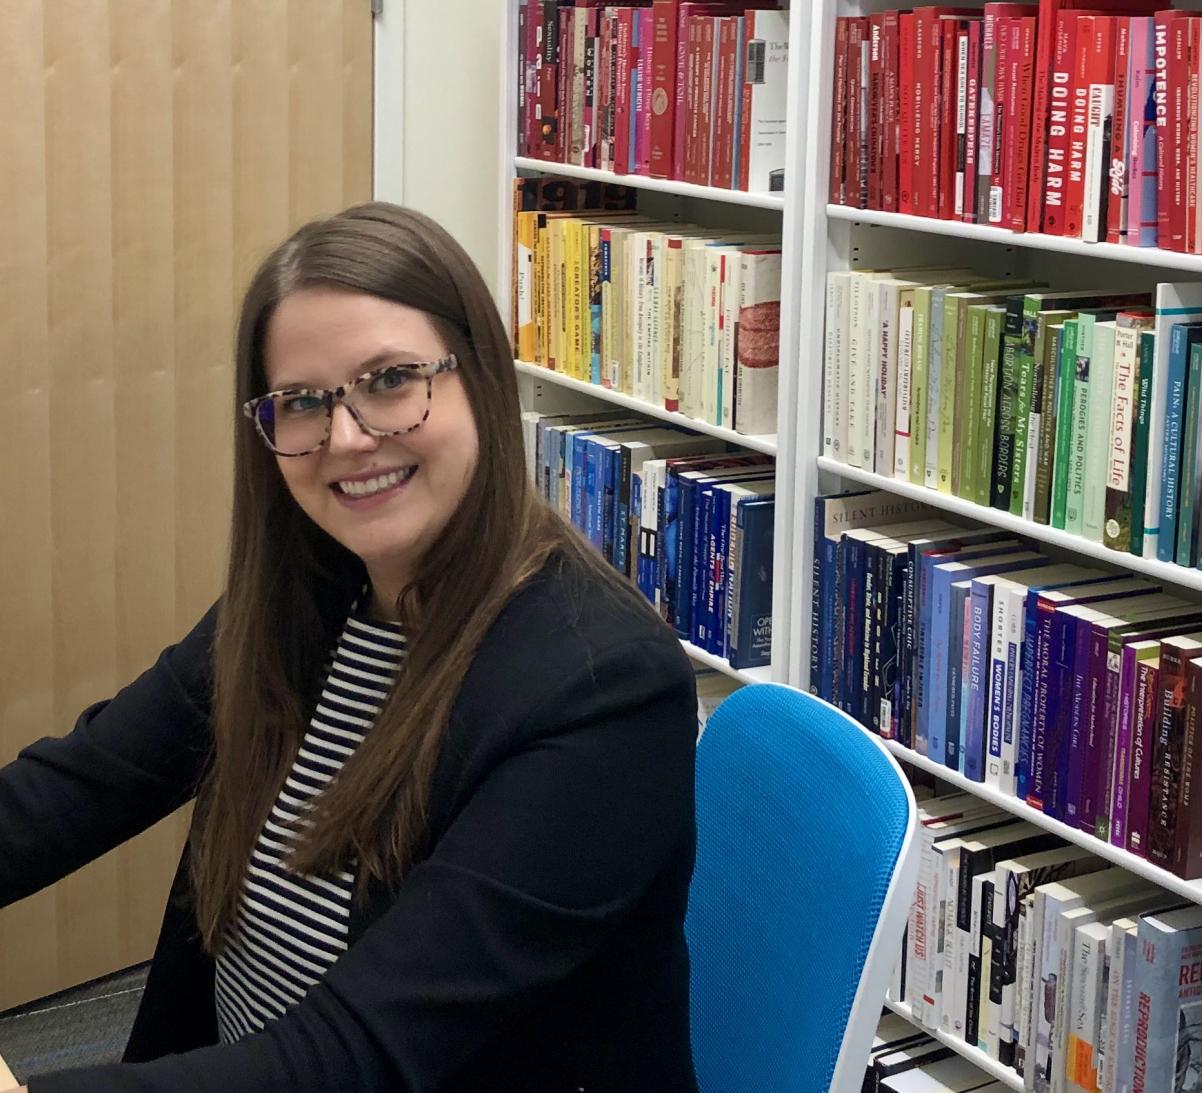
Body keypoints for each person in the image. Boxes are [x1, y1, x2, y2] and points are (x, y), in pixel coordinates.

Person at [0, 203, 700, 1093]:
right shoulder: (314, 591)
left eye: (391, 380)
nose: (346, 438)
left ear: (480, 376)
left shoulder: (602, 689)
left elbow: (359, 1055)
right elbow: (79, 784)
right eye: (300, 402)